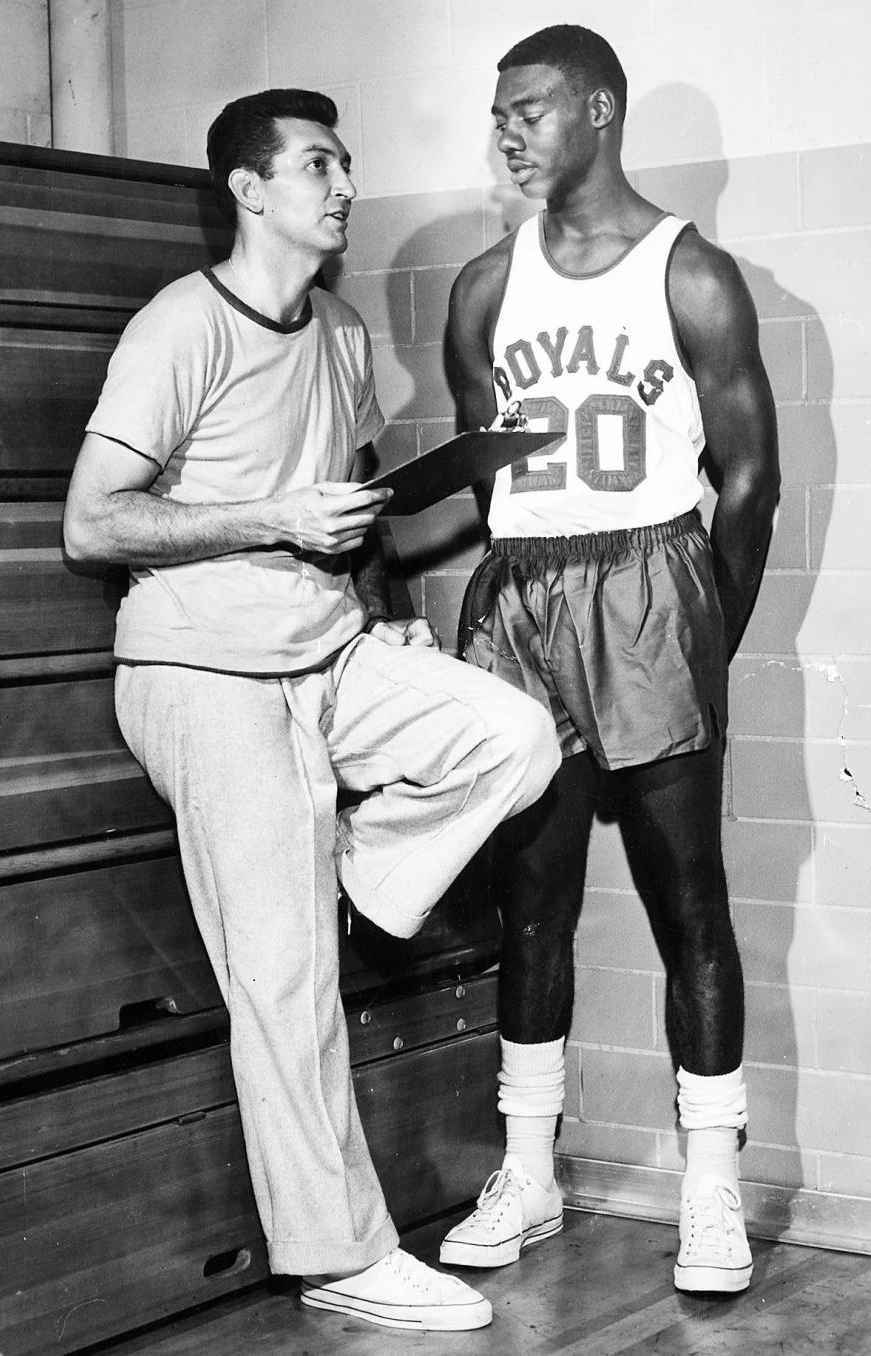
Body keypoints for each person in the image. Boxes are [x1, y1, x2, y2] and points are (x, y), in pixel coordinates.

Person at [62, 88, 560, 1333]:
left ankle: (353, 875)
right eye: (320, 166)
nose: (344, 187)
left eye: (346, 166)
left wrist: (379, 594)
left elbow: (356, 505)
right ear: (250, 189)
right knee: (285, 983)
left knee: (514, 734)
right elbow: (94, 521)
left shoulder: (338, 331)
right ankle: (339, 1252)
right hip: (201, 674)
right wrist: (269, 520)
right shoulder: (180, 326)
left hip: (326, 652)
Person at [438, 26, 779, 1295]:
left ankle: (709, 1192)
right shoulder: (483, 287)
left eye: (528, 109)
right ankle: (531, 1172)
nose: (509, 132)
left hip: (651, 583)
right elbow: (487, 476)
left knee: (692, 902)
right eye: (498, 116)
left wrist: (702, 633)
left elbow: (752, 481)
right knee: (533, 903)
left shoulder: (691, 275)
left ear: (599, 108)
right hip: (527, 595)